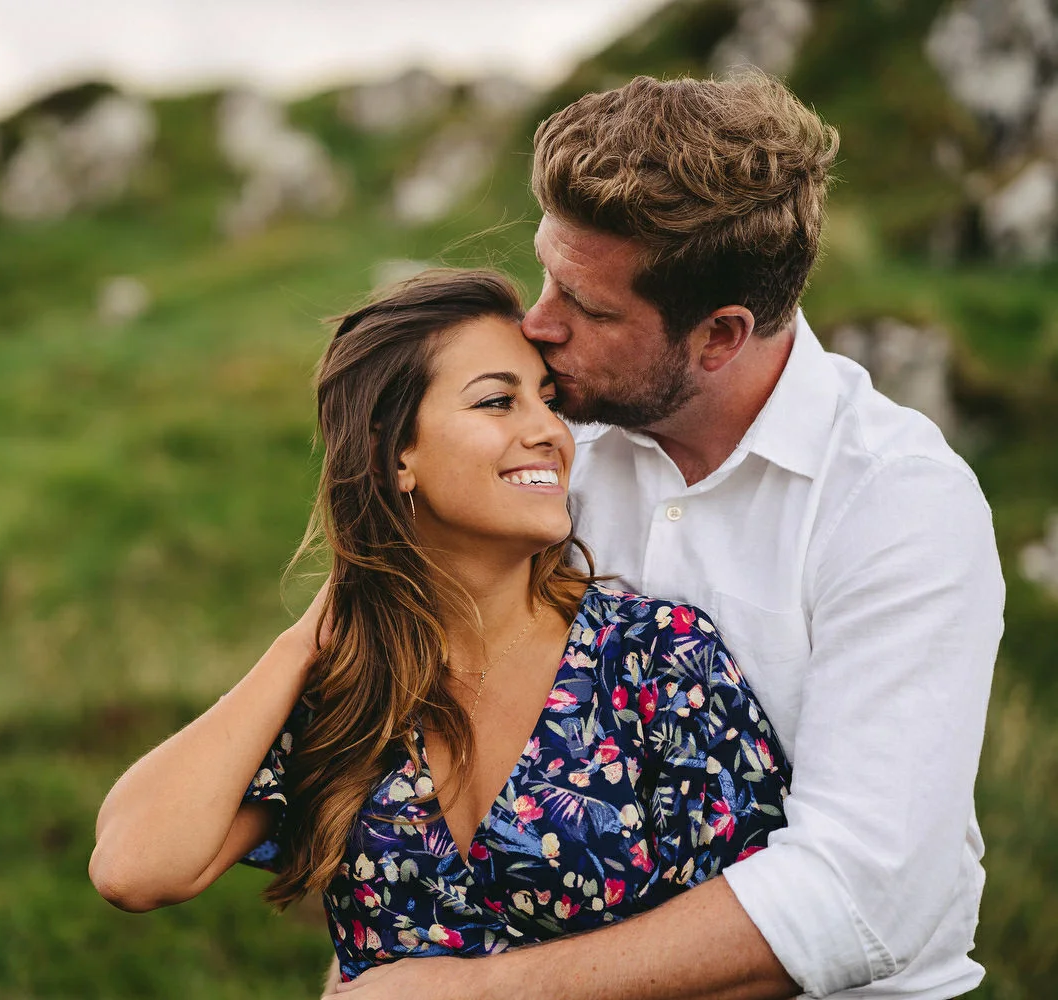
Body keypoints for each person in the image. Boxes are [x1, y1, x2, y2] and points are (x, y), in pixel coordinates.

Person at [330, 74, 1004, 1000]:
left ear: (720, 336)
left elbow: (863, 894)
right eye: (545, 271)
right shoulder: (550, 445)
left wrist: (473, 992)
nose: (537, 322)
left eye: (587, 306)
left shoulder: (896, 508)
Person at [88, 269, 791, 984]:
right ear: (397, 456)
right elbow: (134, 868)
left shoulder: (656, 659)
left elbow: (765, 957)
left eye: (548, 402)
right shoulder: (348, 692)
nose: (548, 431)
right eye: (497, 401)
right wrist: (303, 643)